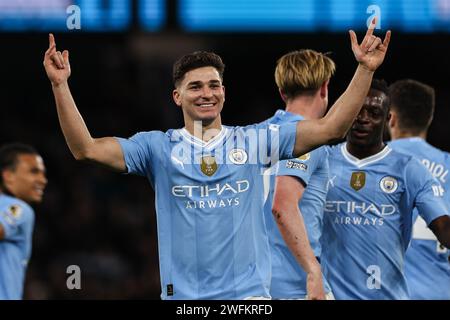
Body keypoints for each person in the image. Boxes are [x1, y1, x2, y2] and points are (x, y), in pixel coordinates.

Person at [43, 21, 391, 299]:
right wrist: (61, 86)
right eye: (195, 87)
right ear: (177, 96)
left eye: (214, 85)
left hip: (249, 301)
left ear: (224, 91)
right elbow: (84, 149)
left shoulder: (256, 141)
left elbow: (331, 129)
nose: (207, 93)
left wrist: (364, 69)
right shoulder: (157, 148)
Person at [320, 79, 450, 299]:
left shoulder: (408, 168)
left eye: (373, 112)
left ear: (390, 118)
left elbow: (443, 227)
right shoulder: (322, 159)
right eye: (357, 111)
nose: (363, 119)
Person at [263, 49, 335, 299]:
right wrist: (313, 271)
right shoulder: (307, 137)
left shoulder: (260, 133)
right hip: (296, 288)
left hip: (257, 285)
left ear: (283, 92)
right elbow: (282, 205)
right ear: (324, 88)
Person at [388, 79, 450, 300]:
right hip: (439, 290)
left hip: (381, 291)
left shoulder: (371, 163)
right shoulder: (448, 165)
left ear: (391, 118)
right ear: (429, 118)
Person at [0, 143, 47, 299]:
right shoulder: (19, 207)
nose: (43, 180)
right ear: (8, 175)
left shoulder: (17, 209)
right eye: (34, 172)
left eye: (43, 173)